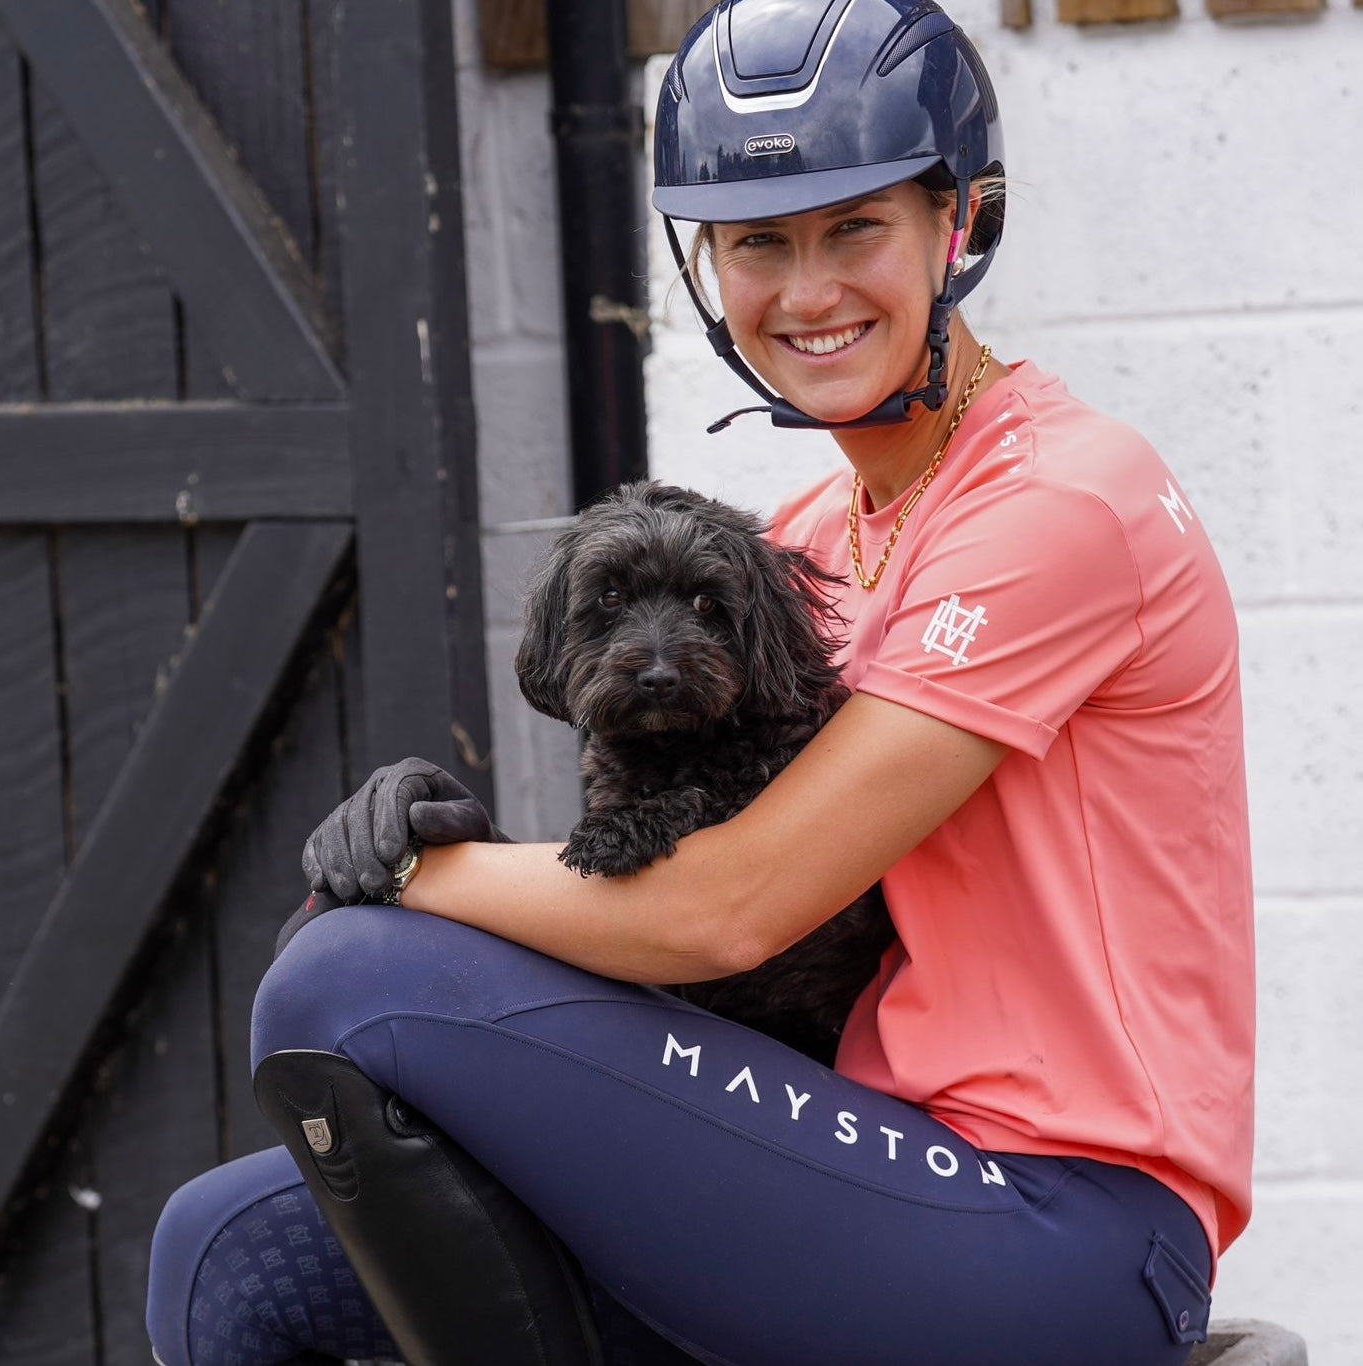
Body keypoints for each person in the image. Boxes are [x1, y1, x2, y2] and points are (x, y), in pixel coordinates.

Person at [145, 0, 1254, 1363]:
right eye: (756, 244)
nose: (805, 292)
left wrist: (418, 878)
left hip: (1061, 1219)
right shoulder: (793, 549)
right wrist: (444, 840)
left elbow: (733, 903)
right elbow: (665, 854)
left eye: (855, 227)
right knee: (226, 1250)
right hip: (850, 1136)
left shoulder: (1058, 503)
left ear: (955, 225)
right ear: (705, 267)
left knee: (346, 972)